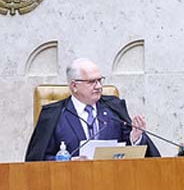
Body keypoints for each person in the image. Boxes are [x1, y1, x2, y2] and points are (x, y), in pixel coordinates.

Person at [25, 58, 159, 161]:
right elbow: (37, 160)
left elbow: (129, 152)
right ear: (74, 86)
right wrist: (68, 162)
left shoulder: (114, 109)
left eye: (100, 80)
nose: (99, 86)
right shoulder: (54, 115)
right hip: (69, 184)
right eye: (91, 82)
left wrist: (135, 138)